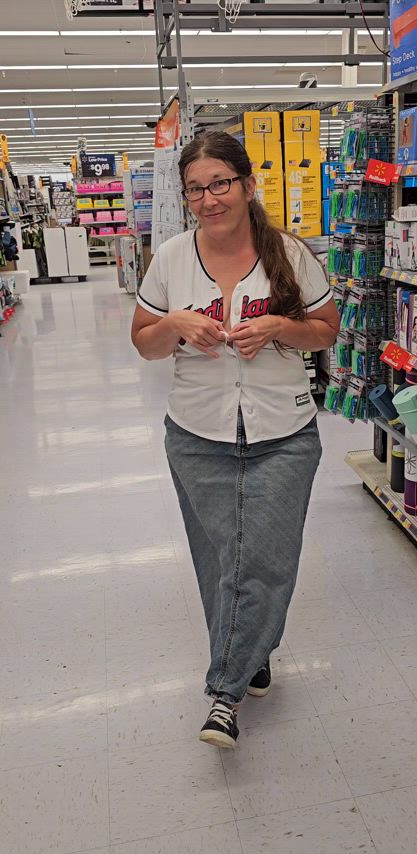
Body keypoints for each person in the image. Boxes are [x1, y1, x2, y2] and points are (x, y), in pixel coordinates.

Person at [131, 131, 339, 749]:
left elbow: (326, 332)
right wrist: (173, 324)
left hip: (284, 432)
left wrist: (278, 325)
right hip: (197, 435)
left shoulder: (291, 255)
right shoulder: (169, 258)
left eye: (220, 183)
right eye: (195, 188)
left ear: (248, 185)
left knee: (264, 558)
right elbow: (144, 344)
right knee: (223, 559)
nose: (208, 198)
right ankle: (255, 652)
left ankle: (225, 693)